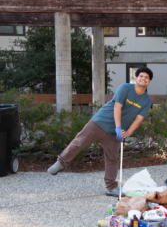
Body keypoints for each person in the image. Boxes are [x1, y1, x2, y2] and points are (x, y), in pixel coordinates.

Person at [47, 66, 153, 197]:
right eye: (141, 76)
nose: (143, 79)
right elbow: (117, 107)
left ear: (149, 82)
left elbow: (139, 118)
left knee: (112, 158)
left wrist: (128, 132)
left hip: (114, 133)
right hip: (99, 122)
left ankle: (111, 187)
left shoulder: (146, 101)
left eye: (146, 78)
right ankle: (61, 163)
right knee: (78, 142)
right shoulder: (125, 88)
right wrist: (119, 127)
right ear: (136, 78)